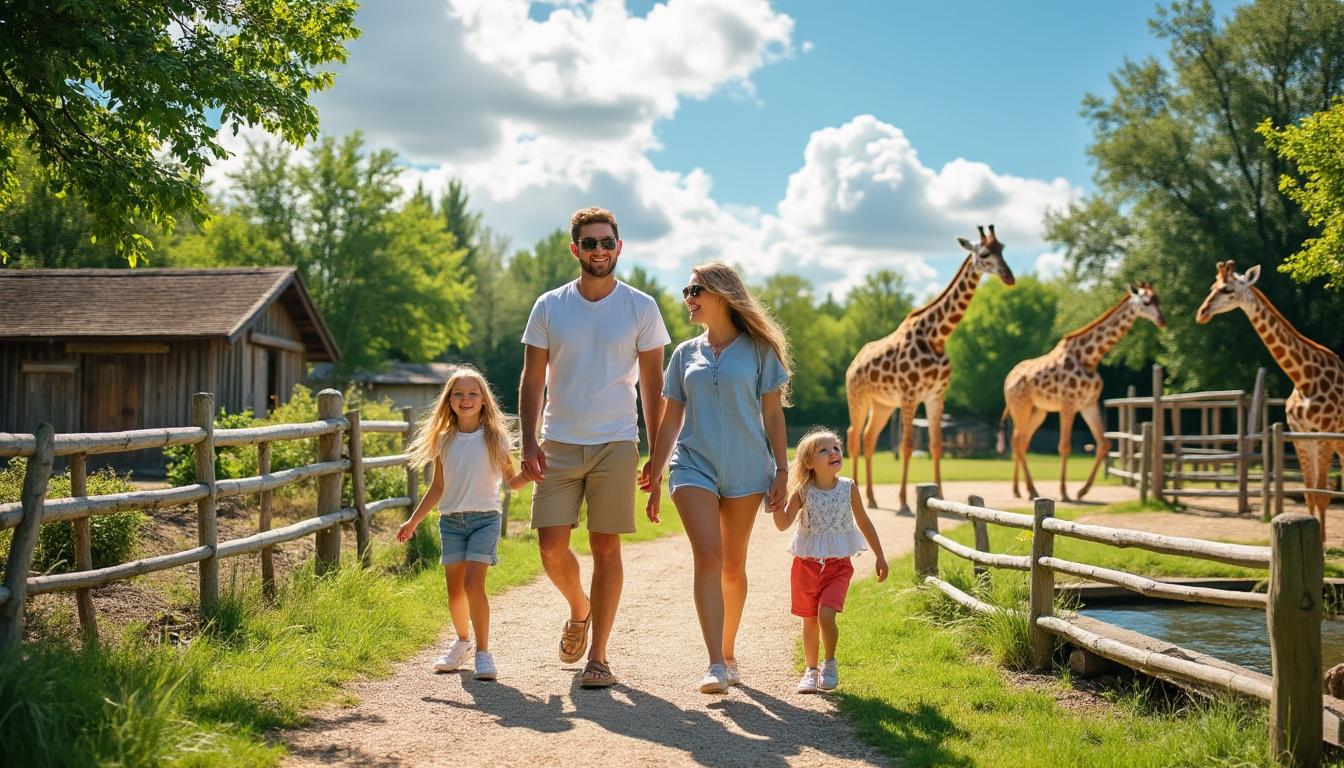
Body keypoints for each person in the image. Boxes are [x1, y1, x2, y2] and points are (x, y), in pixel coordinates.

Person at [518, 206, 670, 689]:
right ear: (575, 249)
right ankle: (579, 608)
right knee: (550, 546)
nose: (599, 251)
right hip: (558, 441)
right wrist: (527, 440)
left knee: (607, 548)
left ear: (619, 248)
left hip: (616, 443)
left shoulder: (641, 307)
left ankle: (599, 658)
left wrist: (656, 452)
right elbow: (532, 378)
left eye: (607, 242)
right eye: (590, 243)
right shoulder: (549, 306)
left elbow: (653, 384)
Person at [645, 261, 792, 694]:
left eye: (695, 290)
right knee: (709, 555)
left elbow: (772, 414)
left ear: (721, 294)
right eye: (687, 290)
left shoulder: (761, 351)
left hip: (748, 468)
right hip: (694, 464)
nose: (687, 299)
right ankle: (713, 662)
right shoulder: (682, 355)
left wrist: (782, 470)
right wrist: (654, 475)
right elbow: (670, 420)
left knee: (732, 565)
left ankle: (728, 652)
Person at [397, 366, 530, 680]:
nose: (465, 399)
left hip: (485, 519)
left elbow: (512, 483)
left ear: (484, 400)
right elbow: (438, 487)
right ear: (449, 400)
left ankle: (484, 652)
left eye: (473, 393)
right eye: (458, 393)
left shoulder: (494, 438)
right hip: (451, 521)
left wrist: (534, 474)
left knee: (473, 585)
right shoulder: (443, 440)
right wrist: (414, 520)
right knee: (455, 591)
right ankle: (462, 643)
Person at [772, 427, 888, 694]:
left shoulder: (848, 488)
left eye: (835, 447)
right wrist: (776, 507)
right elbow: (783, 524)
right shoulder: (802, 491)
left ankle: (829, 663)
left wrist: (880, 556)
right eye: (823, 450)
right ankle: (810, 671)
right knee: (809, 619)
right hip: (806, 566)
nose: (833, 452)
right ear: (809, 463)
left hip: (838, 566)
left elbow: (864, 522)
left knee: (826, 615)